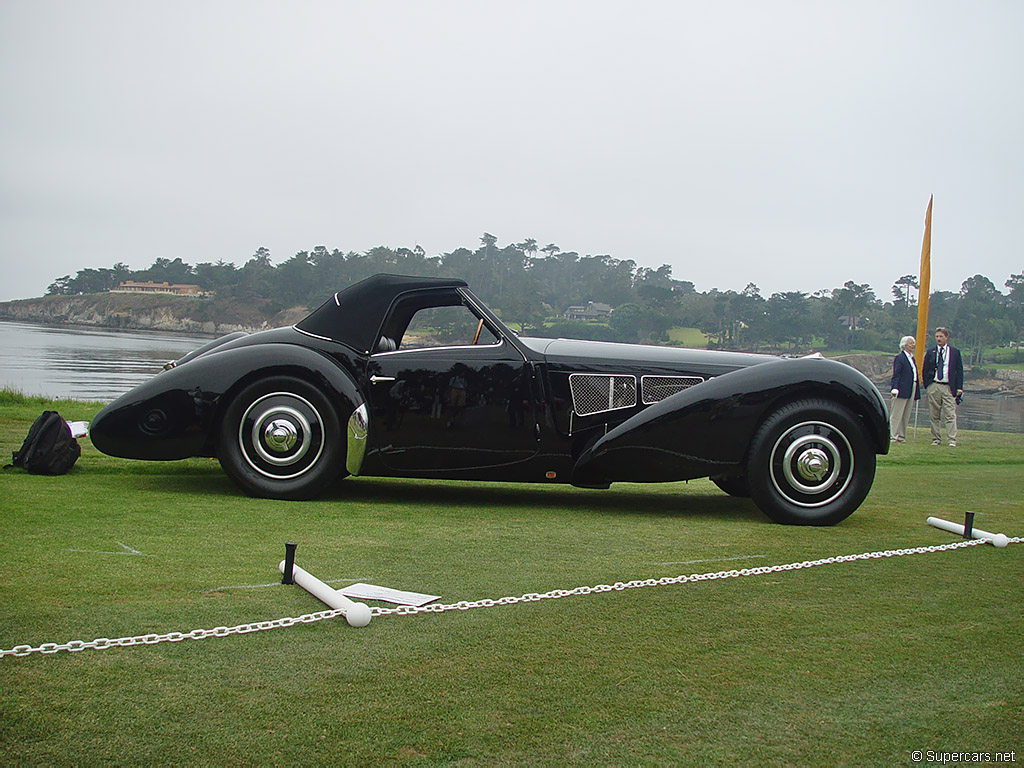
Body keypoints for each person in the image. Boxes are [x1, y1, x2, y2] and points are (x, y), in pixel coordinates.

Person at [922, 326, 964, 447]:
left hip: (948, 387)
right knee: (934, 414)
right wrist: (927, 385)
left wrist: (959, 387)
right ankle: (936, 439)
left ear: (946, 337)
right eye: (937, 337)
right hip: (934, 385)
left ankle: (951, 439)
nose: (939, 339)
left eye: (941, 336)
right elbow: (925, 369)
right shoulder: (931, 352)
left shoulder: (955, 352)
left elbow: (959, 370)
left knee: (950, 414)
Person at [888, 335, 920, 442]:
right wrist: (895, 387)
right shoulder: (900, 358)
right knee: (897, 413)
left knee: (906, 413)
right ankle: (893, 435)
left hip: (912, 386)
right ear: (904, 345)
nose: (913, 345)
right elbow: (896, 374)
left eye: (913, 343)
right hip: (901, 388)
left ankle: (902, 436)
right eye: (911, 343)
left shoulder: (912, 358)